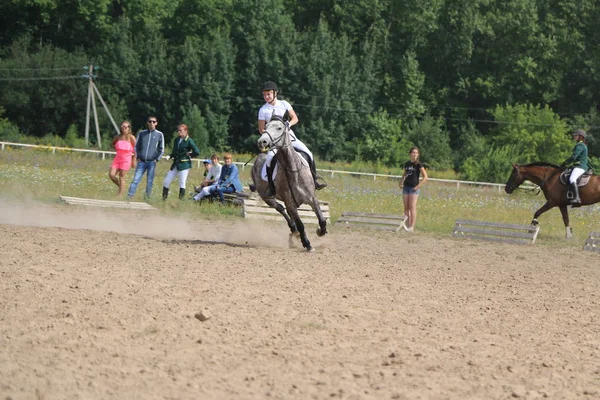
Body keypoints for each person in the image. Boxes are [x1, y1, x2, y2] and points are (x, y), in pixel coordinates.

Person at [257, 80, 326, 198]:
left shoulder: (284, 104)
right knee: (269, 159)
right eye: (264, 95)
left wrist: (288, 124)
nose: (266, 96)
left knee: (309, 153)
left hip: (290, 136)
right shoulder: (263, 110)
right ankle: (271, 188)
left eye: (268, 94)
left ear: (275, 93)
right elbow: (261, 129)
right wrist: (269, 136)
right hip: (275, 141)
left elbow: (295, 118)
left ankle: (314, 181)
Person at [127, 116, 164, 200]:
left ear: (156, 123)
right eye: (150, 121)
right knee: (136, 179)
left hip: (152, 162)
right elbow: (136, 146)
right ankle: (129, 196)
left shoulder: (159, 134)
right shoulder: (142, 133)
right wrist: (137, 157)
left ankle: (147, 198)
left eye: (153, 122)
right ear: (147, 122)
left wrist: (156, 159)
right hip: (141, 161)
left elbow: (161, 149)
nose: (152, 123)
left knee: (149, 182)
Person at [161, 124, 200, 200]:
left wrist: (190, 154)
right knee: (167, 180)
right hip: (176, 163)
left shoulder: (189, 140)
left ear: (185, 131)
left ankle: (180, 201)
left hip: (184, 164)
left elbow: (197, 151)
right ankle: (163, 199)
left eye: (181, 130)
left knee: (182, 182)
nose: (179, 132)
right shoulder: (176, 140)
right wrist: (170, 156)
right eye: (178, 130)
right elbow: (174, 152)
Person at [399, 147, 428, 232]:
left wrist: (418, 186)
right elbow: (405, 174)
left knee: (412, 207)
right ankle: (407, 225)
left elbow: (425, 177)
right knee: (406, 207)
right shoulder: (407, 164)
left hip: (413, 188)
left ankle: (412, 226)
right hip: (406, 187)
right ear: (410, 154)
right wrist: (401, 181)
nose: (414, 154)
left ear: (418, 154)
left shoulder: (419, 164)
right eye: (413, 153)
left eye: (416, 153)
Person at [562, 129, 589, 206]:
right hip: (578, 166)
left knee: (572, 178)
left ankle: (577, 198)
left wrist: (565, 163)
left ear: (580, 137)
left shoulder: (580, 145)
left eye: (576, 135)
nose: (574, 136)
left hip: (580, 166)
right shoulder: (581, 145)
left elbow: (574, 157)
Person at [108, 120, 136, 196]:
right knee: (111, 174)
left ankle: (120, 194)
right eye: (122, 127)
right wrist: (117, 148)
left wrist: (133, 160)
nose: (124, 128)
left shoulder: (131, 137)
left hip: (126, 159)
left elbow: (136, 149)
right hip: (117, 158)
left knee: (121, 176)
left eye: (125, 127)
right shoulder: (118, 137)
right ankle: (121, 186)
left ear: (128, 128)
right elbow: (113, 143)